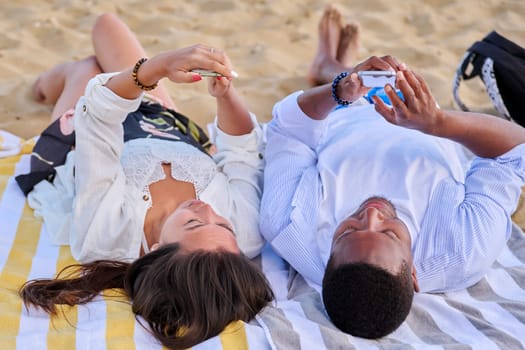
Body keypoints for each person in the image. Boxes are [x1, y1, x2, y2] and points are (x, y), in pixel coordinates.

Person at [259, 5, 525, 339]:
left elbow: (287, 130)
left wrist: (338, 92)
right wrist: (437, 123)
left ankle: (331, 71)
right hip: (428, 125)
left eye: (347, 232)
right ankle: (330, 66)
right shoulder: (462, 250)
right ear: (413, 272)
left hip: (344, 115)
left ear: (326, 260)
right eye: (389, 234)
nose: (371, 215)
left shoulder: (287, 225)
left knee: (347, 81)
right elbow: (515, 152)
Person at [18, 13, 273, 349]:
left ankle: (39, 90)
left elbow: (96, 116)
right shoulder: (246, 235)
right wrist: (225, 94)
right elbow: (241, 152)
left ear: (155, 251)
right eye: (222, 226)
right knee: (106, 26)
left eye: (194, 223)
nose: (208, 210)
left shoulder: (108, 232)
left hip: (87, 130)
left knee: (86, 71)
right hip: (164, 123)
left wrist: (160, 66)